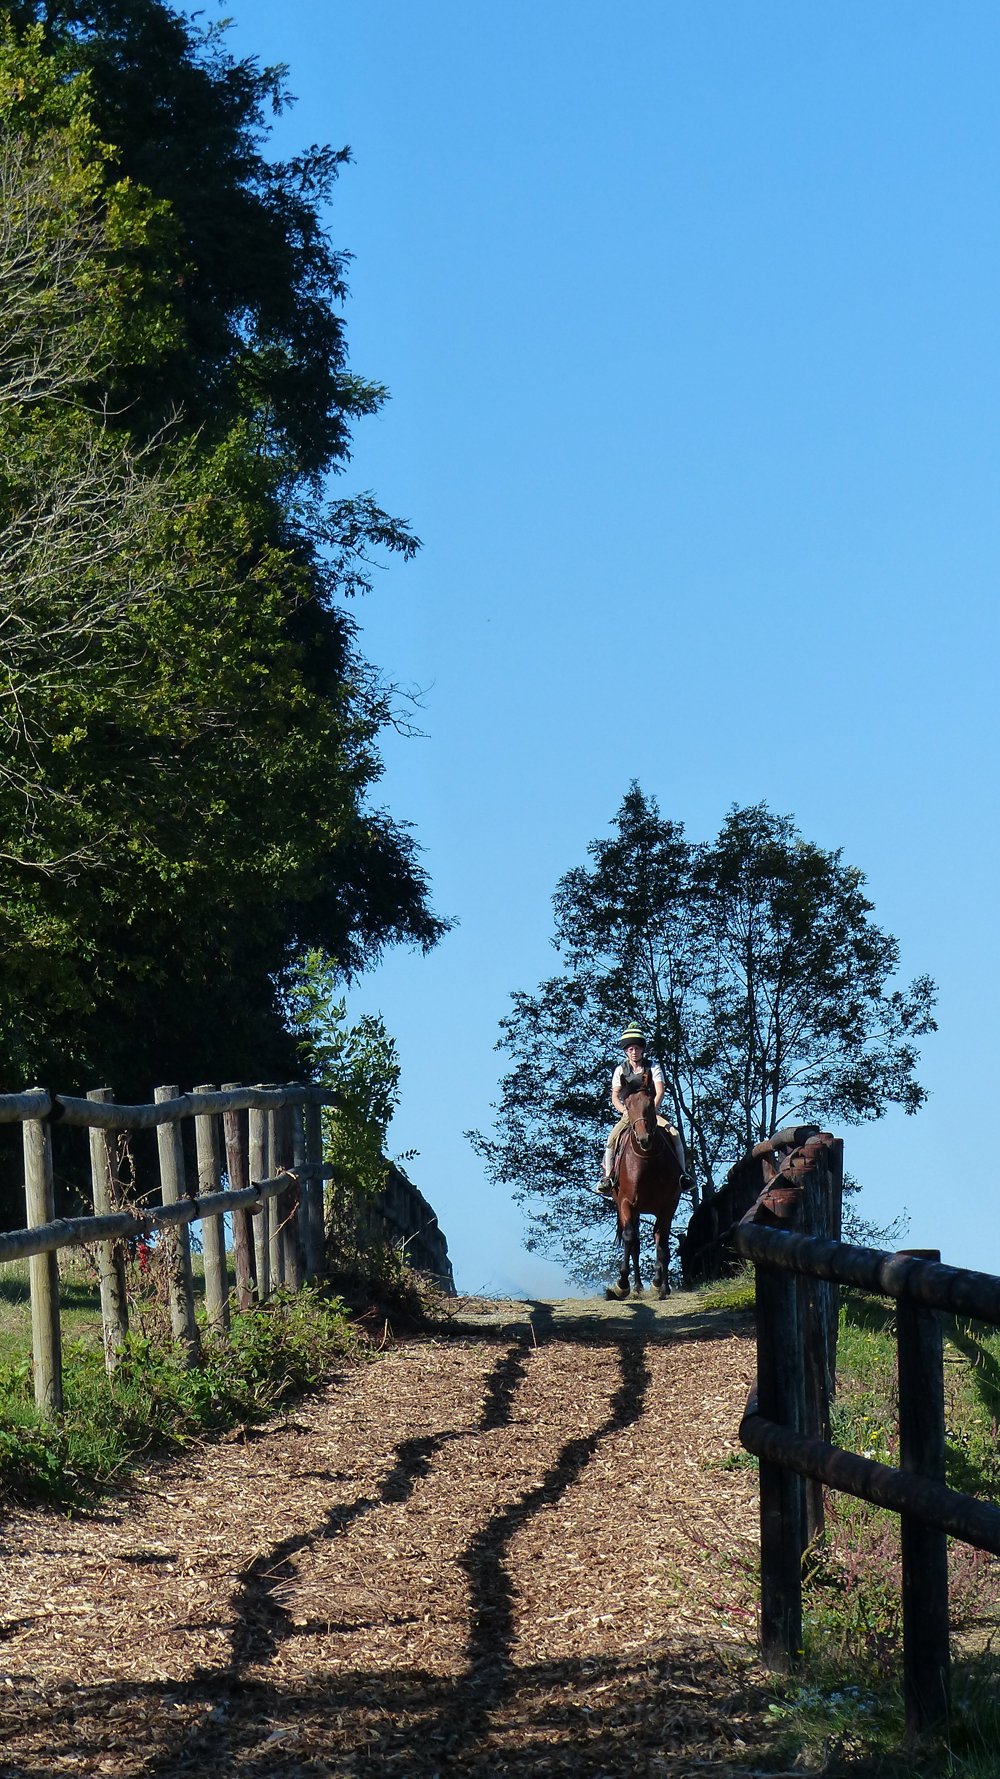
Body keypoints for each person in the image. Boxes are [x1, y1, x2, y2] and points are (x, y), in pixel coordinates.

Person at [596, 1023, 685, 1195]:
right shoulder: (620, 1070)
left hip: (651, 1112)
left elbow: (660, 1091)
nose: (634, 1052)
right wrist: (623, 1111)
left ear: (642, 1049)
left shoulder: (653, 1067)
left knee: (674, 1134)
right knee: (611, 1139)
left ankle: (683, 1175)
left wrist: (652, 1110)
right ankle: (607, 1178)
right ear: (626, 1051)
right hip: (629, 1114)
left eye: (637, 1048)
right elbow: (615, 1096)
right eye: (630, 1049)